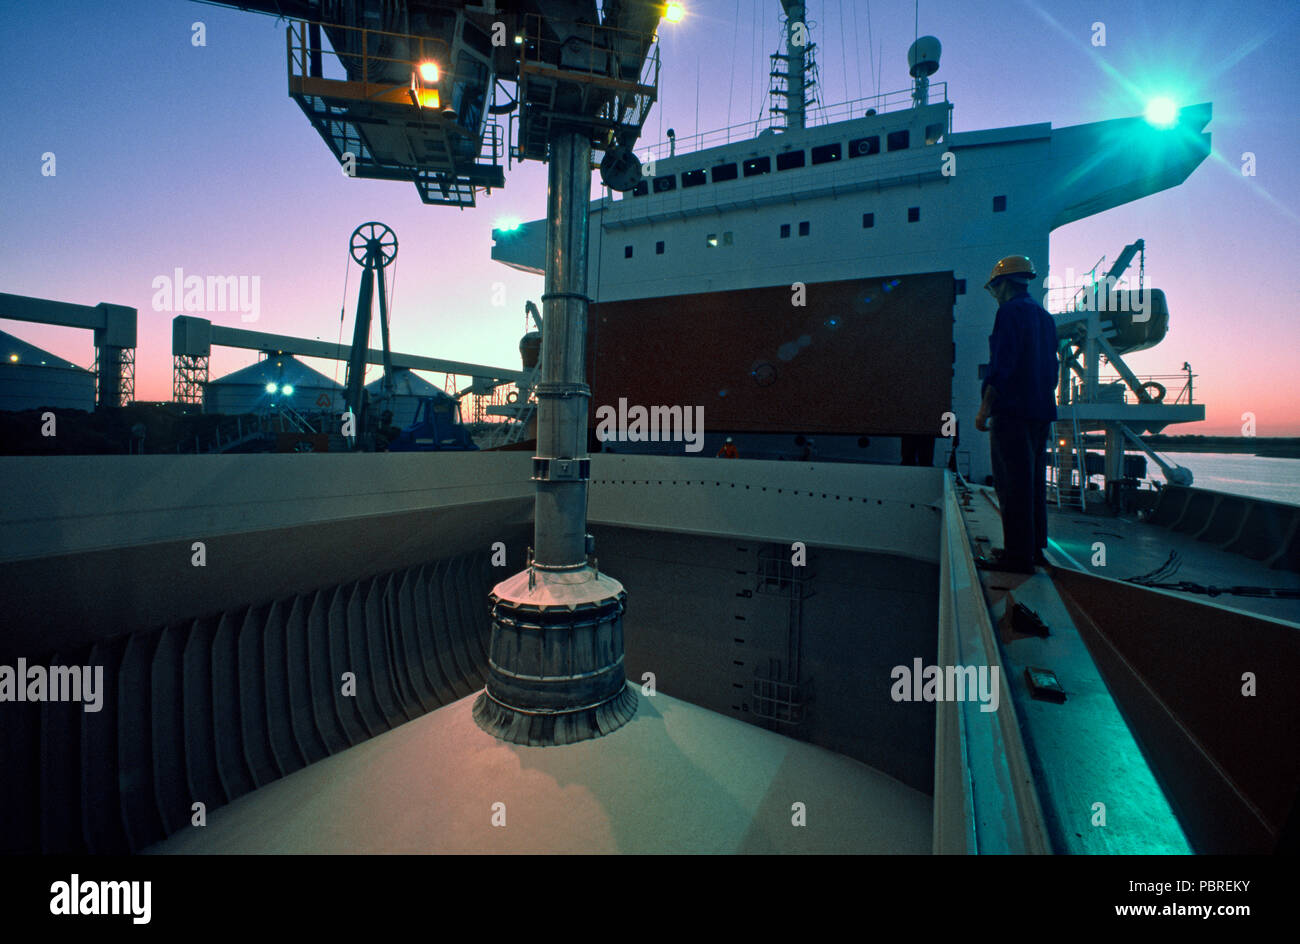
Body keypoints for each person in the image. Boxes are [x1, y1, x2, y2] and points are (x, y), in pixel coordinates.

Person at [974, 255, 1059, 574]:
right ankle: (1034, 549)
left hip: (1012, 411)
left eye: (994, 289)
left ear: (1004, 284)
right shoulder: (1044, 316)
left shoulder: (1009, 313)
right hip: (1041, 410)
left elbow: (1002, 366)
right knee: (1034, 482)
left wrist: (984, 409)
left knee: (1012, 484)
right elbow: (1053, 369)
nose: (994, 295)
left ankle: (1016, 557)